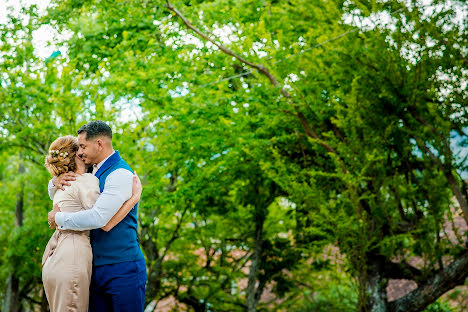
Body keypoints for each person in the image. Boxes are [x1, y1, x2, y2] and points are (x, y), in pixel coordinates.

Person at [47, 121, 147, 312]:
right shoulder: (90, 171)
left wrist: (59, 218)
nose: (80, 152)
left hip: (122, 267)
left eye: (83, 146)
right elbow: (65, 194)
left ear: (99, 144)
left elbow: (100, 220)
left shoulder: (119, 174)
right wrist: (55, 181)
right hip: (93, 267)